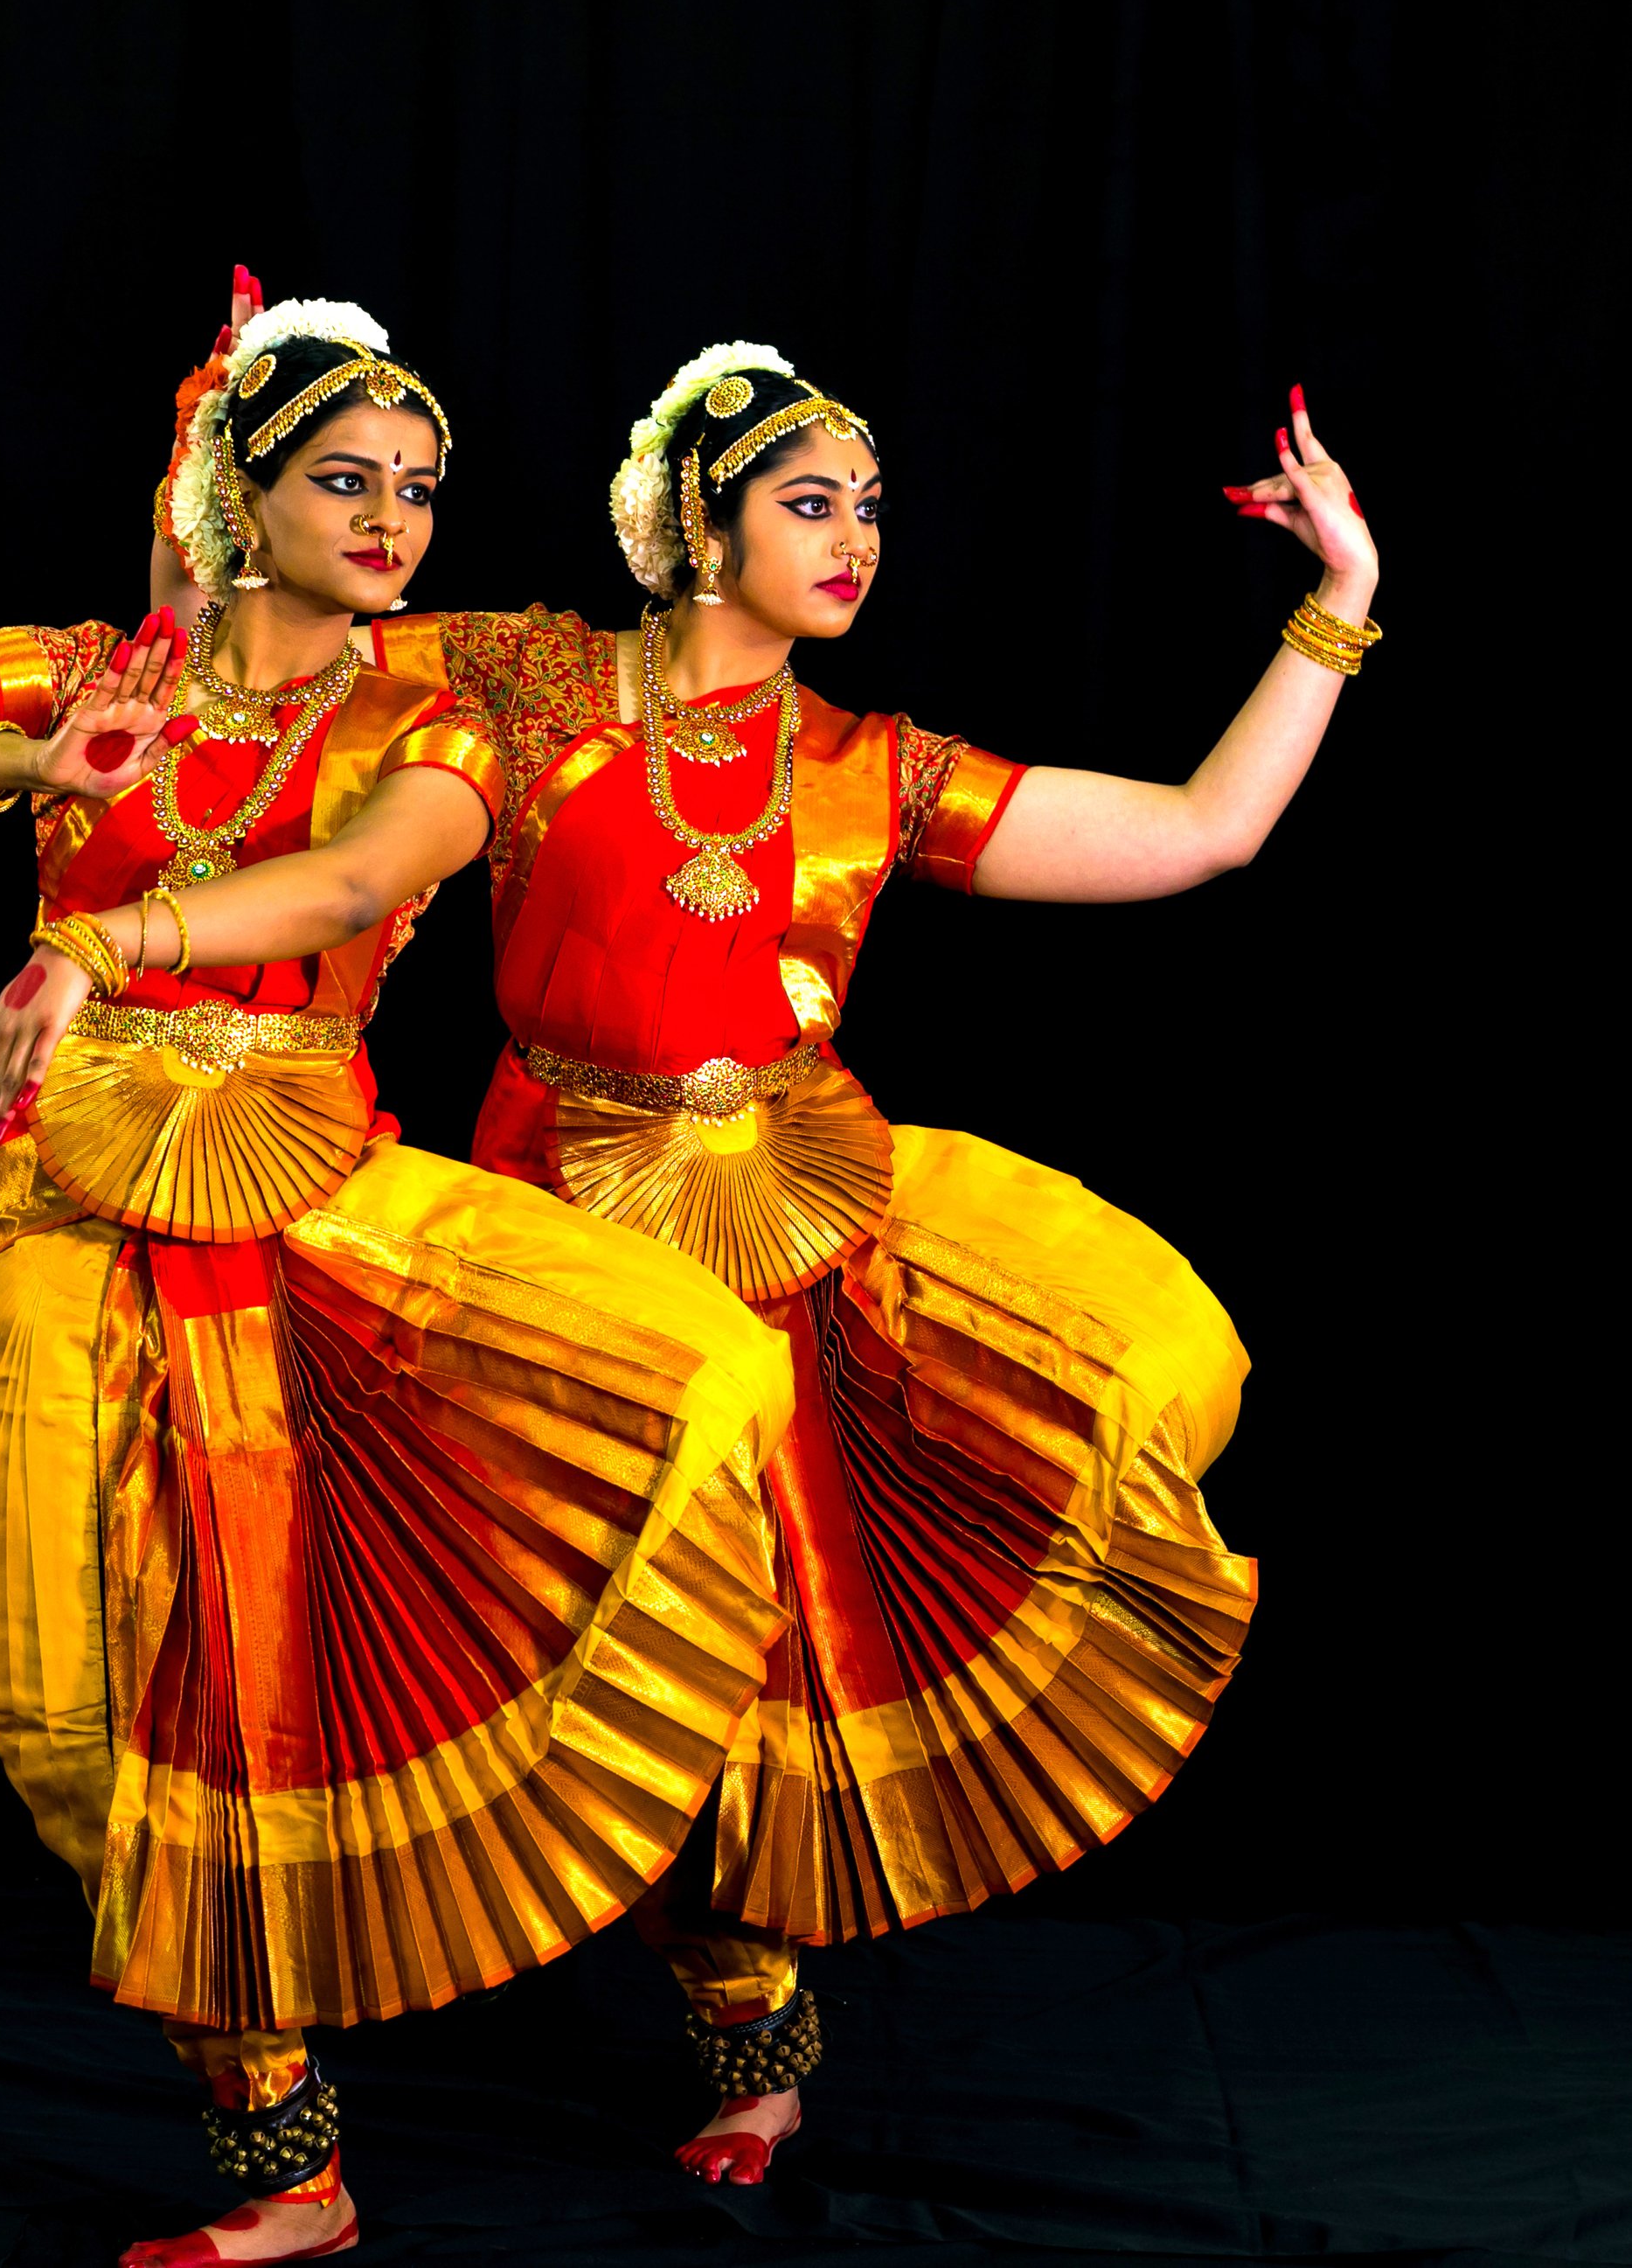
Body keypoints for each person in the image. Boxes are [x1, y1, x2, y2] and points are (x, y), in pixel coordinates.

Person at [0, 298, 798, 2266]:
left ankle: (736, 1981)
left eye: (415, 486)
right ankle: (283, 2159)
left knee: (683, 1403)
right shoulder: (89, 670)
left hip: (326, 1210)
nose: (391, 515)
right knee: (92, 1712)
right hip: (69, 1222)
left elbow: (340, 887)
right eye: (344, 477)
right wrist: (9, 752)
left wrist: (110, 934)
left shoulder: (424, 717)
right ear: (238, 487)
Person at [344, 340, 1380, 2184]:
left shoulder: (863, 769)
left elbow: (1199, 833)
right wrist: (211, 498)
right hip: (554, 1230)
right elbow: (268, 672)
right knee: (511, 1621)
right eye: (807, 504)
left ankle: (751, 2036)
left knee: (756, 1643)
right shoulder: (521, 678)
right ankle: (345, 1983)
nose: (853, 542)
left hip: (786, 1228)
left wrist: (1335, 603)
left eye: (869, 510)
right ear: (689, 520)